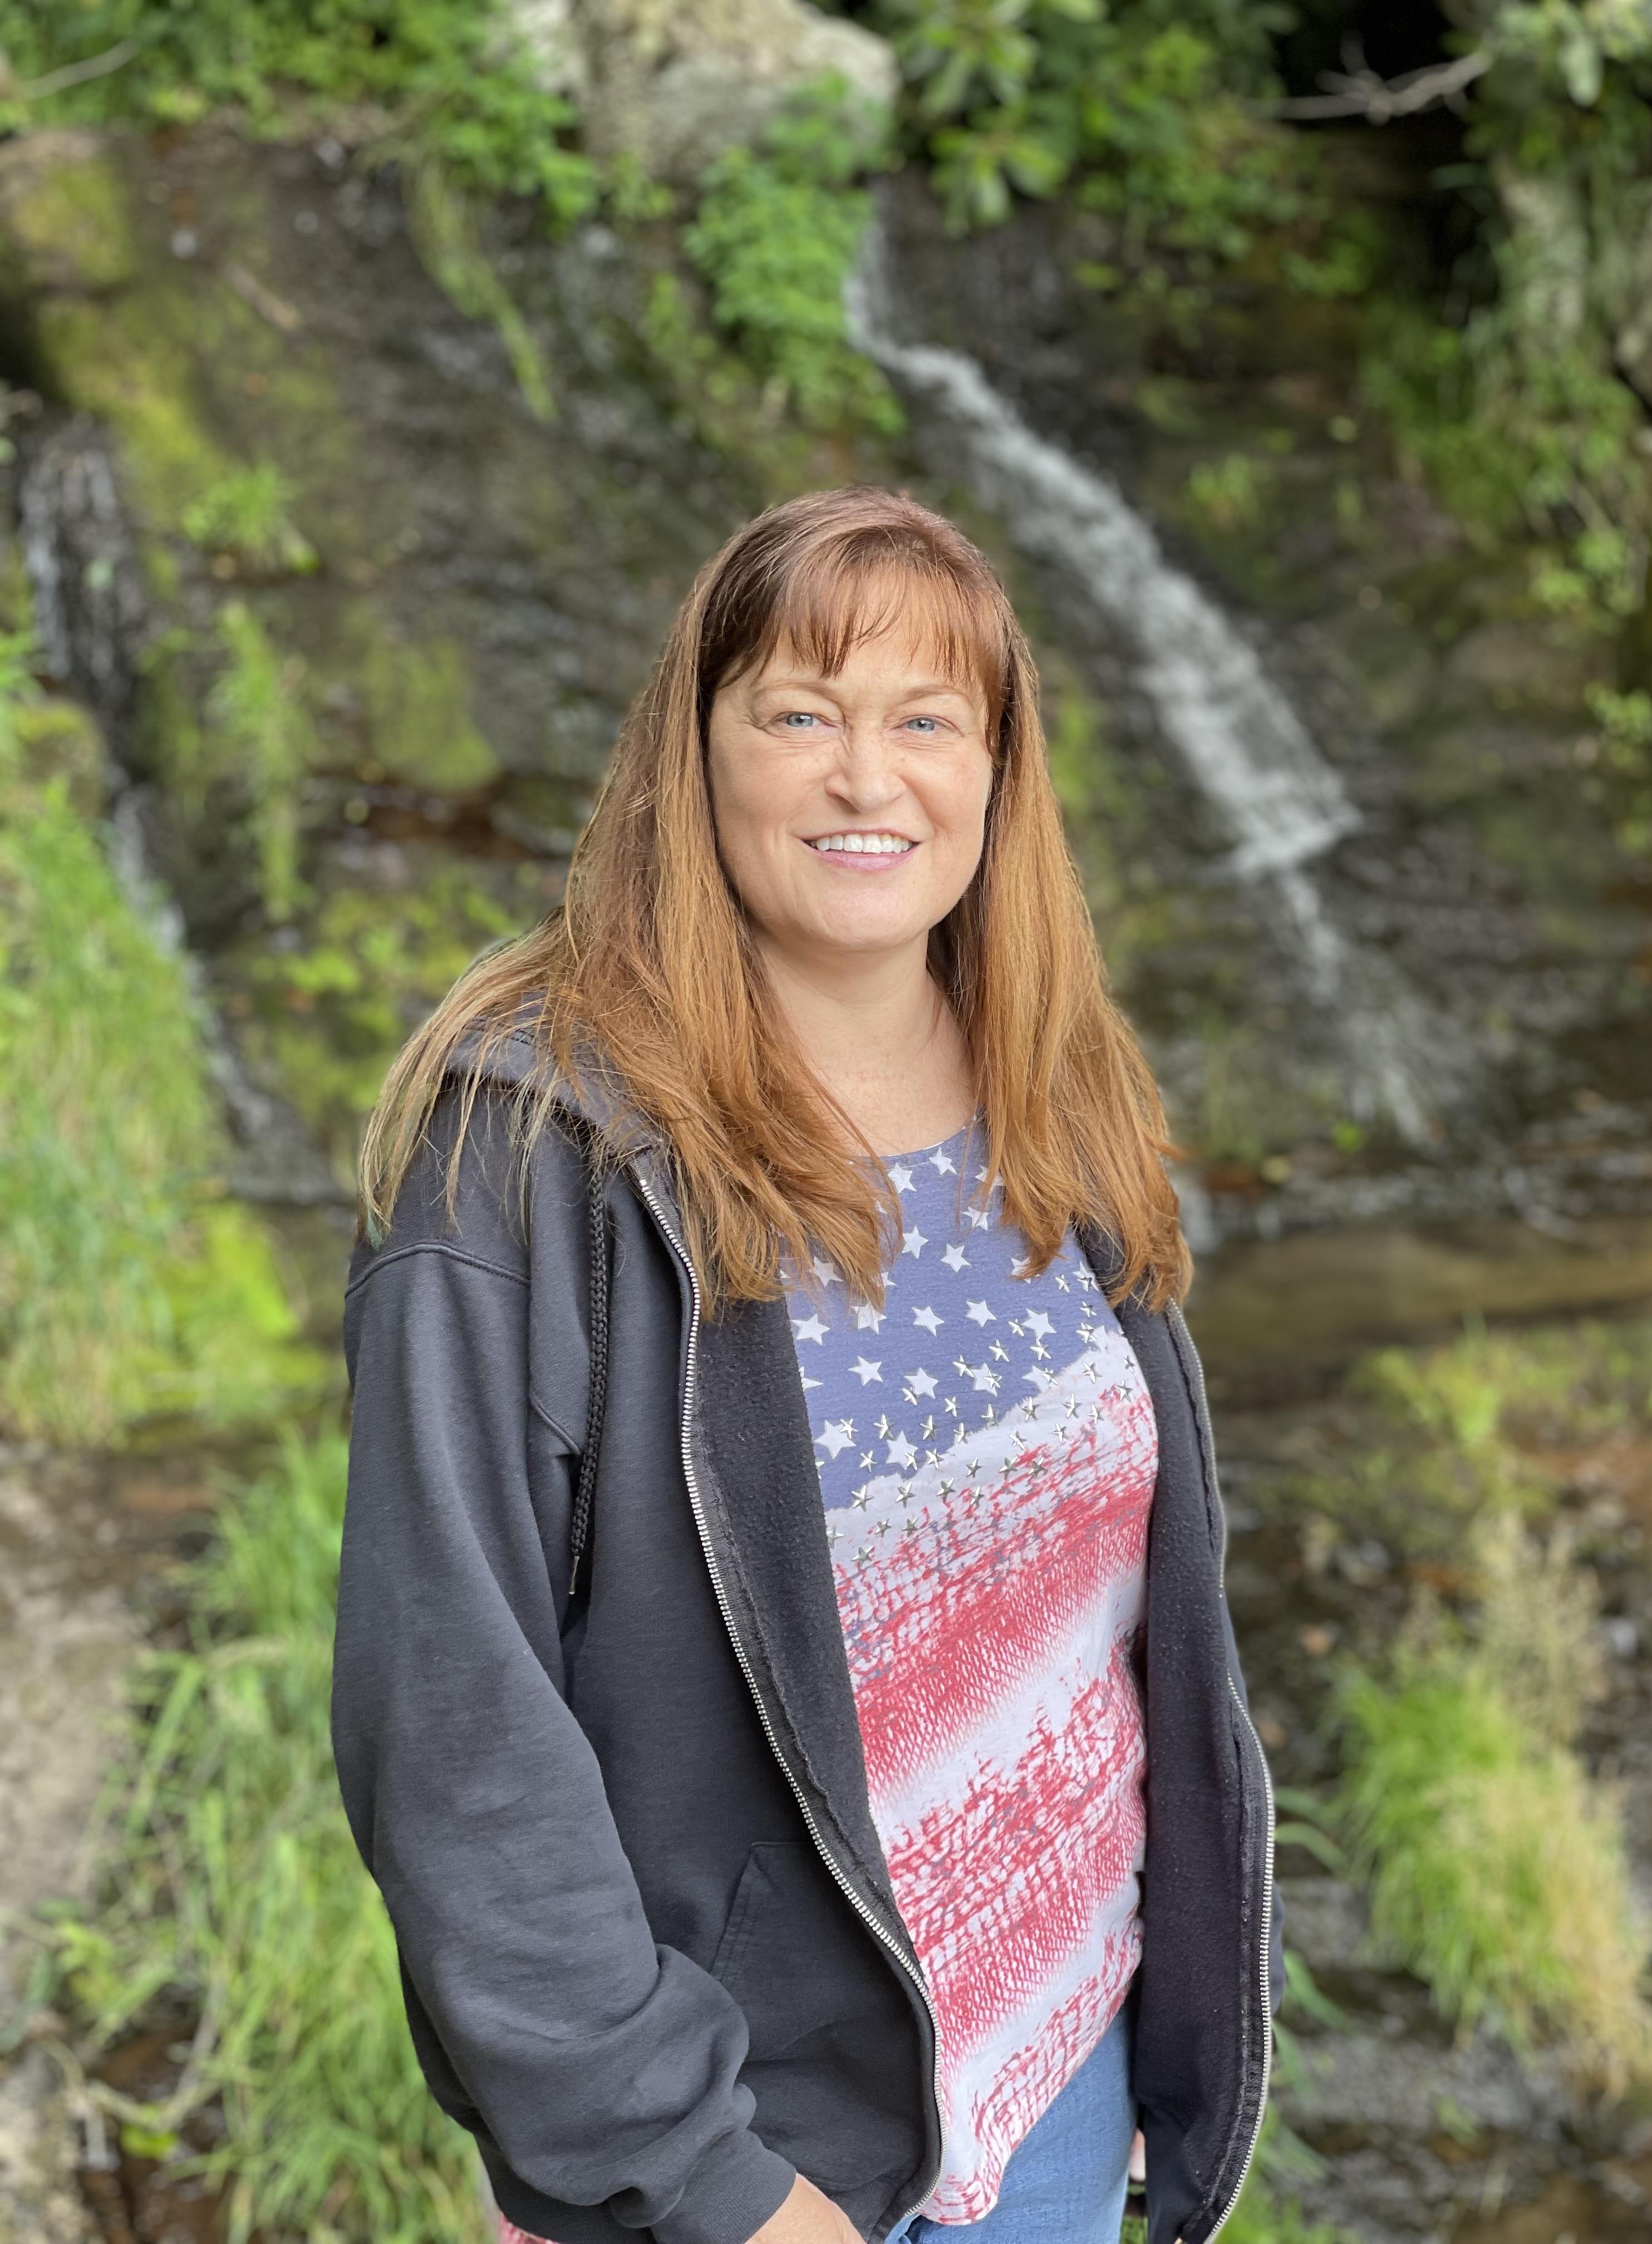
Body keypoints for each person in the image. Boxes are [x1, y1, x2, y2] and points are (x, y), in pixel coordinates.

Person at [331, 485, 1281, 2244]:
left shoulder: (1052, 1079)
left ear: (999, 773)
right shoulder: (531, 1146)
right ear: (696, 755)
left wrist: (1172, 2047)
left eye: (929, 721)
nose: (869, 778)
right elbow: (454, 1732)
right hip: (761, 2161)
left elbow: (1118, 1635)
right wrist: (699, 2178)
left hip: (1066, 2084)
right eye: (800, 714)